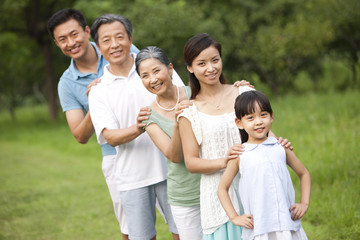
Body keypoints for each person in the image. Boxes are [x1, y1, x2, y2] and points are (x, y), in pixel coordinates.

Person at [178, 33, 293, 239]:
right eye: (201, 63)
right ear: (190, 68)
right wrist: (227, 161)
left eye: (215, 60)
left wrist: (278, 143)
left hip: (259, 189)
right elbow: (192, 163)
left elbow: (264, 132)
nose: (211, 68)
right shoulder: (189, 111)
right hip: (220, 197)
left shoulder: (243, 92)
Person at [135, 46, 255, 239]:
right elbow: (174, 156)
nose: (153, 79)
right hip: (187, 193)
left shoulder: (197, 92)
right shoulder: (149, 116)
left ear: (170, 68)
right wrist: (177, 123)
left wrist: (240, 89)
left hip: (222, 184)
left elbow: (222, 96)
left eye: (157, 71)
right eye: (145, 75)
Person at [47, 8, 140, 239]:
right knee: (131, 228)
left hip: (154, 142)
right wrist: (95, 99)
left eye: (74, 34)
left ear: (87, 31)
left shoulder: (117, 46)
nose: (71, 42)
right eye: (62, 39)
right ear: (57, 44)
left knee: (179, 217)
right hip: (115, 156)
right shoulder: (67, 84)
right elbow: (80, 135)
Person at [88, 14, 183, 240]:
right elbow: (109, 137)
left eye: (120, 37)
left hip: (175, 170)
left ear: (130, 38)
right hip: (132, 177)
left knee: (185, 233)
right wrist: (142, 125)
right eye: (106, 40)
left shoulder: (155, 69)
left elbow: (187, 100)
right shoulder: (99, 90)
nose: (114, 44)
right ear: (99, 47)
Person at [218, 90, 311, 240]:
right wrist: (234, 217)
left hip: (287, 224)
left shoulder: (281, 147)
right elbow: (222, 188)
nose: (259, 122)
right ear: (239, 123)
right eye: (250, 117)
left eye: (263, 115)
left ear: (271, 116)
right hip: (259, 228)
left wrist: (304, 203)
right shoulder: (240, 154)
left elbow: (304, 173)